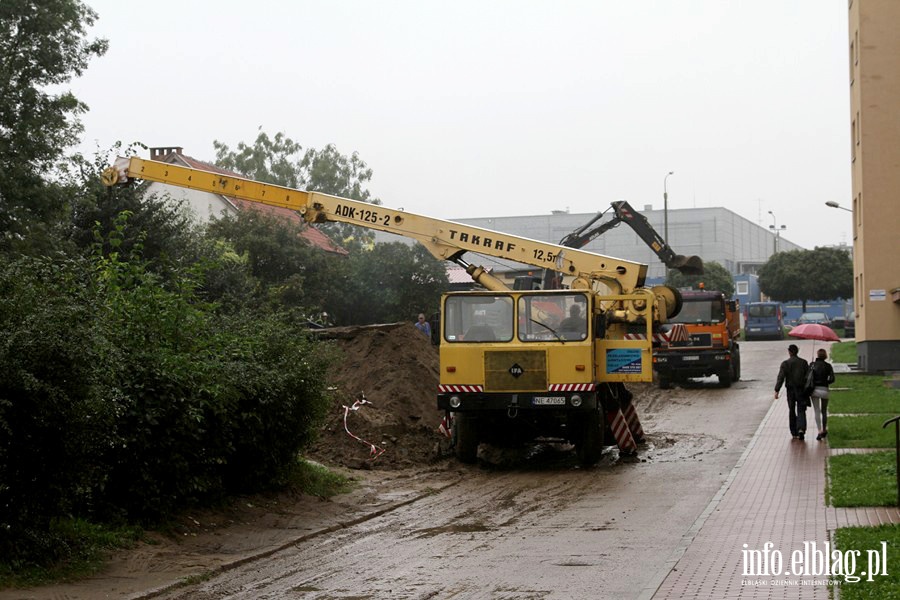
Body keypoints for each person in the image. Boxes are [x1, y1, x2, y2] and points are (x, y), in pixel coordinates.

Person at [774, 344, 810, 440]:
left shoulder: (785, 363)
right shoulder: (804, 362)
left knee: (792, 409)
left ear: (789, 352)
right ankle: (801, 428)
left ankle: (794, 431)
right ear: (797, 351)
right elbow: (808, 377)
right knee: (801, 409)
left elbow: (781, 377)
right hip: (801, 390)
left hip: (790, 390)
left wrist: (777, 390)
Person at [809, 348, 836, 441]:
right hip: (824, 390)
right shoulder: (828, 366)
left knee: (816, 410)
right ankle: (824, 429)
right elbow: (832, 379)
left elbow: (808, 377)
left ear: (817, 355)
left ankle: (819, 430)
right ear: (825, 356)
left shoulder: (812, 365)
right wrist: (826, 381)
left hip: (814, 390)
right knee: (823, 411)